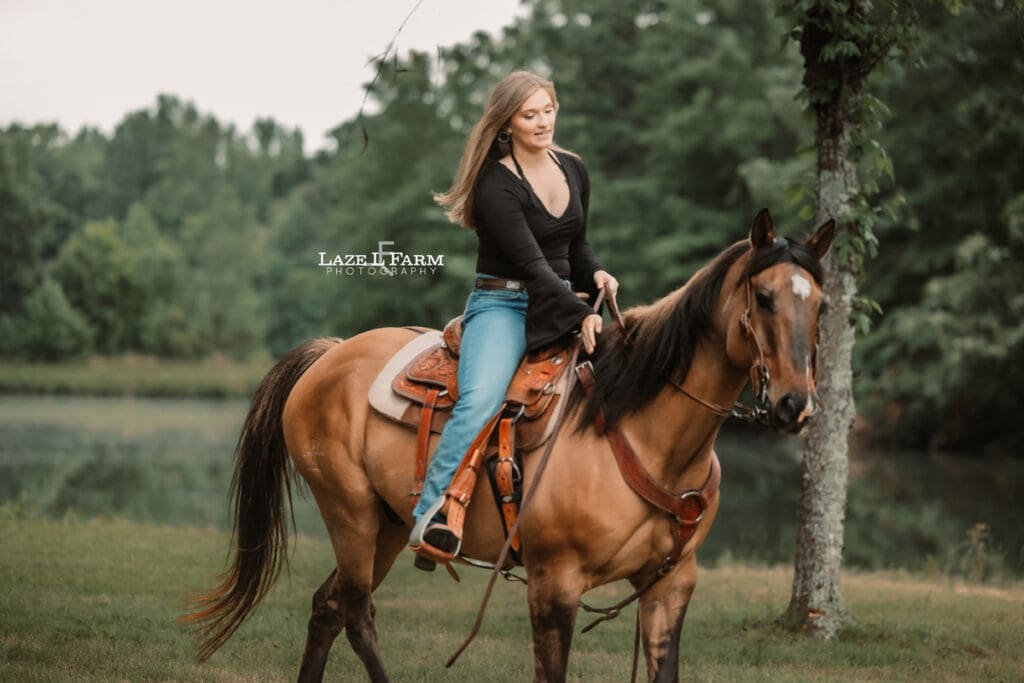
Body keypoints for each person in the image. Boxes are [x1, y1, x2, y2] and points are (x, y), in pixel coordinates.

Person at [409, 70, 618, 562]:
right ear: (507, 123)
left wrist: (597, 274)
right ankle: (429, 516)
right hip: (504, 305)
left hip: (561, 300)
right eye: (530, 115)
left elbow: (576, 247)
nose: (543, 122)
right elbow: (532, 266)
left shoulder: (573, 169)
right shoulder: (495, 184)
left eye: (548, 110)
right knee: (481, 400)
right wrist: (580, 314)